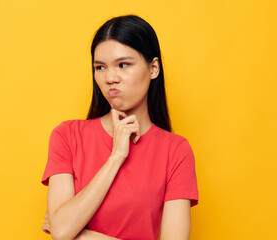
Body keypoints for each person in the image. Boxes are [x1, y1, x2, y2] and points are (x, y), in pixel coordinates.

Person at [41, 15, 199, 240]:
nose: (110, 77)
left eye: (123, 64)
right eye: (100, 67)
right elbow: (63, 231)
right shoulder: (67, 136)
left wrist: (83, 236)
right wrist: (116, 157)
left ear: (153, 68)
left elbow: (63, 231)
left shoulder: (176, 151)